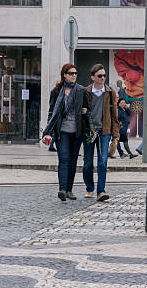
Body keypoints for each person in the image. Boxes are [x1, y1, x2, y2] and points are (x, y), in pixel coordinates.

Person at [42, 63, 89, 201]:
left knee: (73, 161)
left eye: (75, 73)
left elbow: (87, 110)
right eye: (70, 73)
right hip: (61, 131)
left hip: (76, 131)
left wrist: (85, 111)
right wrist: (48, 130)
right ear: (64, 75)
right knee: (64, 160)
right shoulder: (56, 91)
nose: (74, 75)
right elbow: (52, 112)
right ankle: (62, 189)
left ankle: (69, 189)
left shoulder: (81, 90)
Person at [83, 64, 120, 202]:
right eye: (99, 76)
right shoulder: (85, 92)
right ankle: (89, 188)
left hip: (105, 131)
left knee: (103, 162)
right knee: (87, 163)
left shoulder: (110, 93)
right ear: (93, 77)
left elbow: (114, 114)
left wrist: (116, 134)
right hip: (89, 131)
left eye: (104, 75)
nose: (103, 78)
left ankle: (101, 191)